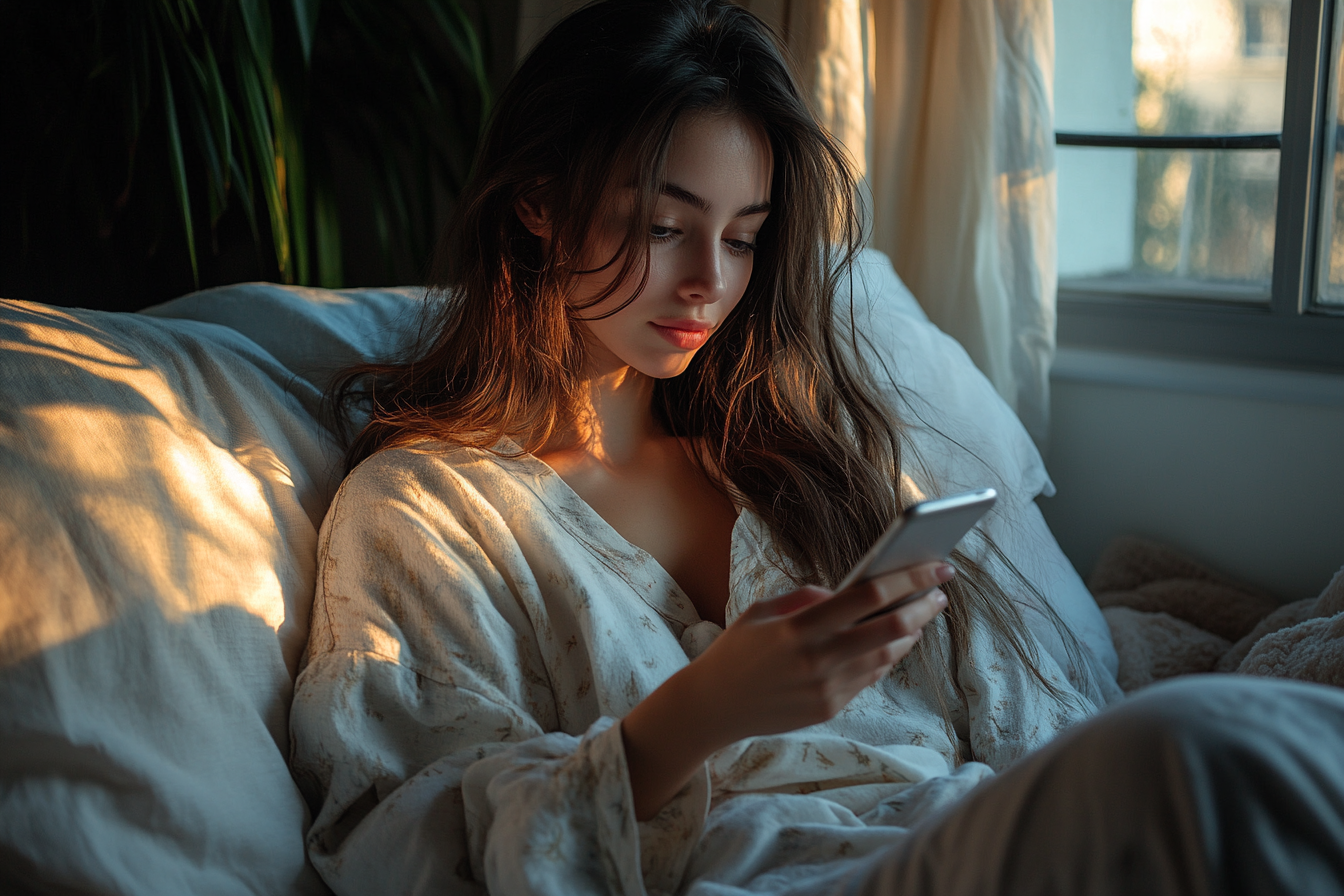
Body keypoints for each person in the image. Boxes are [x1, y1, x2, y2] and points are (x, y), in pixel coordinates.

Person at [289, 2, 1344, 894]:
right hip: (802, 873)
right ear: (535, 204)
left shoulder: (788, 457)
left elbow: (1022, 708)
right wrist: (694, 716)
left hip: (973, 823)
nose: (710, 278)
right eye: (665, 226)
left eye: (743, 236)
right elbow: (405, 841)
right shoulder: (424, 510)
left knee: (1249, 741)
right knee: (1209, 757)